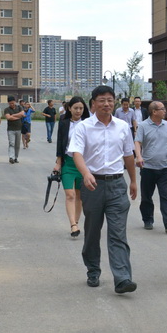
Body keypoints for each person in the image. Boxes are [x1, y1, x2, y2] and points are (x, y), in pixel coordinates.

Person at [68, 85, 138, 293]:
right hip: (93, 185)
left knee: (118, 233)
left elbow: (128, 155)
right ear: (93, 103)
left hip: (117, 184)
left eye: (110, 100)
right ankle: (93, 269)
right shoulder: (83, 127)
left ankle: (122, 278)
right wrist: (86, 173)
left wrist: (133, 180)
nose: (107, 104)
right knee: (92, 231)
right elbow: (77, 153)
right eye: (102, 100)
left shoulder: (122, 126)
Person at [134, 101, 167, 233]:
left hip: (165, 168)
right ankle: (148, 219)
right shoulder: (143, 126)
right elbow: (137, 142)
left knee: (165, 196)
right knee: (146, 197)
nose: (165, 111)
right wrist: (139, 156)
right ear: (154, 112)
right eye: (162, 109)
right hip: (148, 168)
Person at [54, 96, 90, 238]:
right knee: (70, 194)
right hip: (68, 163)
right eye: (75, 108)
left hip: (83, 164)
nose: (78, 111)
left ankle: (76, 221)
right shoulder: (64, 123)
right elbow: (60, 143)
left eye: (81, 108)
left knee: (79, 196)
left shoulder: (88, 123)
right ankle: (73, 225)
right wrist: (58, 162)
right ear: (69, 108)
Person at [4, 97, 25, 164]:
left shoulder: (19, 107)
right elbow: (8, 117)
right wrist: (18, 117)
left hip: (19, 129)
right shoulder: (7, 109)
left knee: (17, 144)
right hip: (10, 129)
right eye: (10, 103)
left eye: (13, 103)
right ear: (8, 103)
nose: (12, 104)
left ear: (15, 102)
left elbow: (22, 114)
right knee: (11, 143)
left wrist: (13, 115)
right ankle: (11, 157)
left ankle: (16, 157)